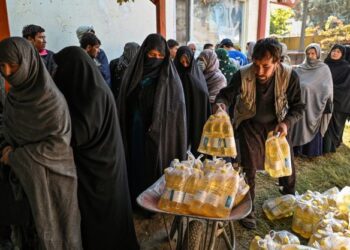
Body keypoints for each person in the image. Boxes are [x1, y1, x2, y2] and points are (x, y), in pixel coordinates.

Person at [53, 46, 139, 250]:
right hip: (101, 163)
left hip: (101, 170)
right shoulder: (87, 88)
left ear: (74, 69)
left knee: (103, 218)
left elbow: (78, 135)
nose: (56, 73)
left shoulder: (94, 95)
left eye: (60, 68)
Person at [0, 37, 82, 249]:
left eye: (14, 65)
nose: (8, 72)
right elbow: (8, 129)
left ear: (28, 63)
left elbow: (58, 148)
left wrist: (15, 157)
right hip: (22, 184)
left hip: (54, 184)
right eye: (2, 65)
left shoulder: (52, 102)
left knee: (58, 235)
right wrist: (5, 147)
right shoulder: (13, 98)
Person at [215, 38, 304, 229]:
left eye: (266, 66)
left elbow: (299, 107)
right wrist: (221, 105)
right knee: (249, 167)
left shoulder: (289, 76)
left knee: (286, 164)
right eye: (256, 65)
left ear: (277, 62)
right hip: (250, 124)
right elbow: (226, 94)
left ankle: (289, 199)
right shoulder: (243, 74)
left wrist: (287, 123)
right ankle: (249, 209)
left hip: (277, 125)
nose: (260, 71)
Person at [117, 34, 187, 209]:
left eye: (160, 57)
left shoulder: (171, 80)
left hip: (161, 137)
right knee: (137, 165)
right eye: (152, 55)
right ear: (144, 54)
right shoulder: (133, 74)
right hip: (135, 131)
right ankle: (136, 199)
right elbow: (124, 103)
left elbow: (175, 113)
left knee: (156, 168)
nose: (156, 60)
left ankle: (155, 205)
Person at [292, 43, 333, 157]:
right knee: (297, 125)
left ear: (318, 54)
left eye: (313, 53)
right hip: (299, 105)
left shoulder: (323, 69)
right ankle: (297, 149)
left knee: (310, 126)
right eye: (308, 53)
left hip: (314, 105)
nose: (310, 56)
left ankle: (309, 151)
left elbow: (327, 88)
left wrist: (311, 91)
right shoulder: (301, 68)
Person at [174, 46, 211, 156]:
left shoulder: (196, 75)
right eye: (182, 62)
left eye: (187, 62)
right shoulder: (173, 75)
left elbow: (203, 95)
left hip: (195, 114)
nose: (185, 65)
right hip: (180, 114)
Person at [323, 44, 350, 153]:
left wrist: (330, 89)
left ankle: (330, 148)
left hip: (339, 101)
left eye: (338, 52)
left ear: (342, 54)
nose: (335, 53)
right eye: (334, 50)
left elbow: (346, 86)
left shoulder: (346, 67)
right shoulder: (325, 64)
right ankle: (321, 146)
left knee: (333, 126)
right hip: (324, 99)